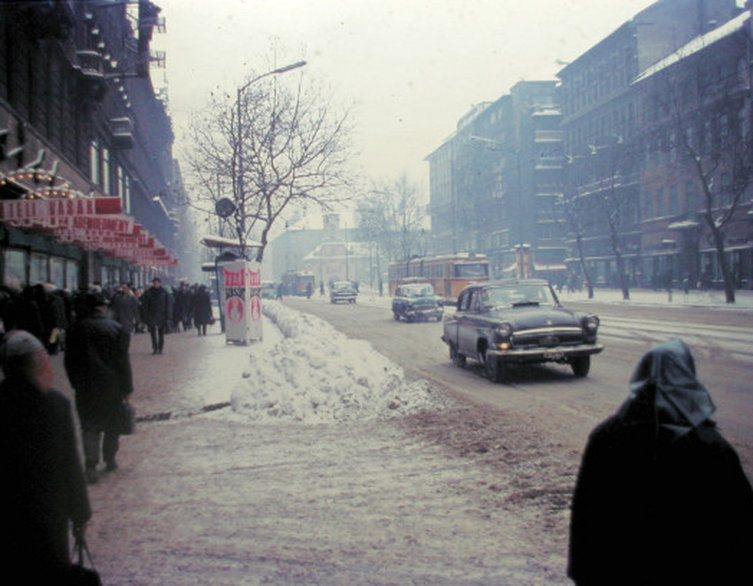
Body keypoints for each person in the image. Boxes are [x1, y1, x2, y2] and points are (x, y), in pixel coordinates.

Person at [568, 337, 753, 586]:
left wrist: (584, 574)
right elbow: (738, 529)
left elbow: (587, 517)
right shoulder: (711, 448)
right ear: (689, 377)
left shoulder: (606, 437)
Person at [0, 330, 91, 580]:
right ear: (38, 361)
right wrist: (81, 513)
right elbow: (70, 465)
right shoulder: (54, 404)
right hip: (48, 514)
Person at [65, 292, 134, 483]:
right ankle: (110, 459)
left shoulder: (75, 329)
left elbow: (69, 361)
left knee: (89, 425)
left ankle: (91, 464)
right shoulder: (117, 329)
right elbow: (123, 362)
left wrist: (75, 382)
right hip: (112, 386)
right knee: (113, 424)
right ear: (104, 308)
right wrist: (127, 387)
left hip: (85, 386)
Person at [140, 277, 172, 354]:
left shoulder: (164, 293)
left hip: (161, 315)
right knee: (152, 333)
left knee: (161, 333)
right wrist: (145, 316)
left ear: (160, 283)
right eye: (154, 283)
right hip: (151, 315)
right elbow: (144, 304)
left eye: (157, 283)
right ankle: (155, 347)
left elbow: (168, 305)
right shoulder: (148, 293)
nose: (156, 284)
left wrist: (168, 316)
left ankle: (160, 348)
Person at [110, 281, 140, 347]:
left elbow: (135, 309)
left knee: (127, 335)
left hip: (128, 319)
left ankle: (125, 348)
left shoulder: (132, 298)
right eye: (122, 288)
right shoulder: (118, 297)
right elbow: (114, 308)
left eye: (124, 288)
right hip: (119, 319)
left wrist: (137, 319)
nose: (123, 289)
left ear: (129, 288)